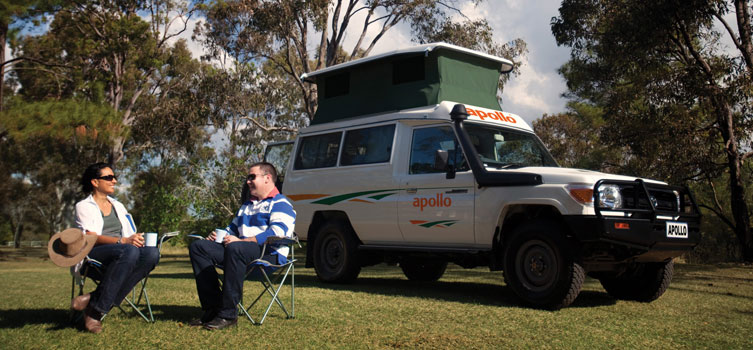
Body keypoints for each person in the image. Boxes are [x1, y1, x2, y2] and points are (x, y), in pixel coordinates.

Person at [189, 162, 296, 330]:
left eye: (252, 177)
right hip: (239, 253)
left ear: (267, 178)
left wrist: (243, 242)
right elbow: (231, 229)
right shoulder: (247, 206)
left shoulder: (281, 203)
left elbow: (279, 232)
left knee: (236, 248)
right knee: (199, 247)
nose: (247, 181)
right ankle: (213, 308)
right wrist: (218, 235)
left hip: (269, 254)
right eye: (248, 177)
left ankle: (228, 315)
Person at [72, 162, 160, 333]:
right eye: (109, 177)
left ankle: (92, 299)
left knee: (151, 253)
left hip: (124, 255)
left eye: (114, 177)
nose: (114, 181)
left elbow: (130, 233)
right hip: (93, 255)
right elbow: (90, 237)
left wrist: (136, 238)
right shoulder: (83, 206)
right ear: (95, 182)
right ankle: (96, 312)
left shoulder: (118, 206)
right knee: (129, 250)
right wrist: (123, 241)